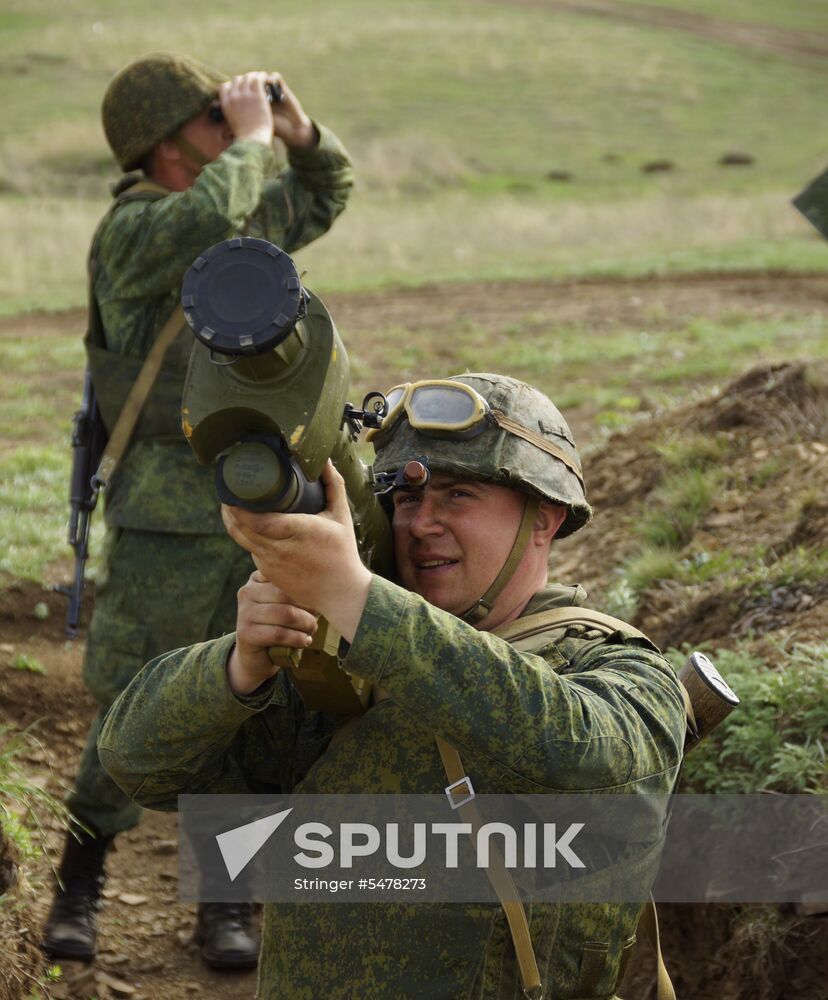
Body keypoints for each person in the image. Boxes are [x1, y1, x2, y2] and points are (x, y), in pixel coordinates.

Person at [98, 374, 687, 998]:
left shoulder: (621, 672)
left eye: (458, 495)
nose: (422, 524)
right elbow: (142, 766)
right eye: (407, 499)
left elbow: (581, 763)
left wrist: (358, 600)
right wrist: (239, 666)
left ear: (544, 517)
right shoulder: (348, 671)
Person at [42, 52, 353, 968]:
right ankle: (78, 885)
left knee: (256, 694)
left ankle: (226, 900)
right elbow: (207, 217)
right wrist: (252, 142)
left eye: (230, 115)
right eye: (212, 117)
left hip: (262, 497)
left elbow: (326, 193)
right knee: (133, 695)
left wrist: (295, 132)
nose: (230, 125)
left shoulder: (234, 209)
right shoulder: (136, 230)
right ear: (165, 142)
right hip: (165, 515)